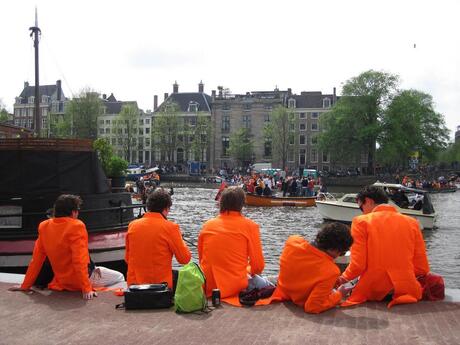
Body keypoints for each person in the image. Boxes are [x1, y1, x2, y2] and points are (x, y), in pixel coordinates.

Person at [9, 194, 124, 300]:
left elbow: (36, 260)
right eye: (78, 210)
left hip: (62, 281)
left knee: (96, 269)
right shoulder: (76, 225)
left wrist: (25, 285)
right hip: (81, 280)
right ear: (73, 212)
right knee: (119, 277)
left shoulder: (44, 226)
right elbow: (79, 260)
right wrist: (86, 288)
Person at [336, 185, 430, 308]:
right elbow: (422, 267)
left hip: (372, 290)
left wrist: (343, 279)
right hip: (406, 290)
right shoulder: (412, 223)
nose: (362, 211)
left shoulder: (361, 222)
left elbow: (358, 265)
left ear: (369, 201)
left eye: (361, 207)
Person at [198, 187, 271, 299]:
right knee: (268, 285)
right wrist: (245, 270)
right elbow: (258, 267)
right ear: (242, 204)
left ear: (222, 202)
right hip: (234, 287)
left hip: (208, 285)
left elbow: (201, 257)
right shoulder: (250, 226)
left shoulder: (207, 225)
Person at [272, 223, 353, 314]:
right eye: (342, 253)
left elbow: (304, 269)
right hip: (301, 299)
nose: (339, 256)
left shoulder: (292, 242)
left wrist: (333, 281)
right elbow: (313, 307)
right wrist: (340, 294)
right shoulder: (331, 271)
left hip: (282, 292)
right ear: (334, 249)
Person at [125, 189, 191, 289]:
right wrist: (180, 240)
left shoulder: (132, 225)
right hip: (159, 289)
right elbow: (184, 259)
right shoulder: (171, 227)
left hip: (134, 288)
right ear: (166, 208)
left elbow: (127, 259)